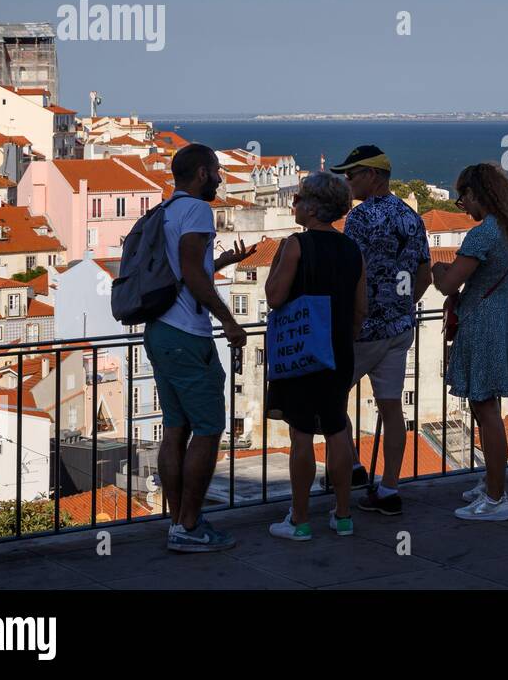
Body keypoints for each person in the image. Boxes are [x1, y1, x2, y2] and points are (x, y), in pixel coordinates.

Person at [146, 144, 256, 553]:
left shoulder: (166, 210)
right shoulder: (196, 211)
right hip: (187, 335)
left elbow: (184, 268)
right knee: (209, 429)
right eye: (216, 171)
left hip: (160, 331)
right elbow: (191, 271)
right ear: (200, 174)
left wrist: (223, 261)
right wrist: (228, 320)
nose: (221, 178)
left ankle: (178, 522)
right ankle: (189, 526)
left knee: (175, 429)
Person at [265, 173, 366, 540]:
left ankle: (300, 519)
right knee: (338, 428)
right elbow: (361, 308)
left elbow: (274, 296)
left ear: (312, 206)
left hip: (303, 351)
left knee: (303, 433)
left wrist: (278, 257)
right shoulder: (351, 249)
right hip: (338, 350)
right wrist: (344, 338)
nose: (293, 205)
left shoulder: (295, 245)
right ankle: (343, 516)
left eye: (298, 199)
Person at [331, 145, 431, 516]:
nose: (347, 180)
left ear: (373, 175)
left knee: (332, 397)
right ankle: (389, 488)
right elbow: (423, 273)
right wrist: (404, 305)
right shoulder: (411, 217)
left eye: (353, 173)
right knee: (391, 408)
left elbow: (350, 272)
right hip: (400, 328)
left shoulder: (359, 219)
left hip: (363, 329)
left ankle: (352, 467)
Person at [432, 162, 508, 520]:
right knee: (483, 408)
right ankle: (491, 482)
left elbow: (447, 284)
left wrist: (436, 269)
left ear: (476, 194)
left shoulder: (483, 235)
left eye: (464, 199)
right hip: (499, 317)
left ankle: (496, 498)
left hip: (481, 322)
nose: (464, 206)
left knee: (486, 412)